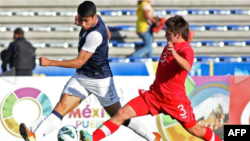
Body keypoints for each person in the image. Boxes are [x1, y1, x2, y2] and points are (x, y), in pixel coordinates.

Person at [19, 1, 160, 141]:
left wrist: (51, 62)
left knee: (120, 115)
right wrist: (89, 28)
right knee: (60, 107)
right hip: (81, 77)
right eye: (81, 20)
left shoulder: (95, 35)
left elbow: (79, 61)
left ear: (94, 17)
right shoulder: (96, 21)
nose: (84, 24)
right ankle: (34, 135)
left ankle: (152, 137)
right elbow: (109, 35)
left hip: (100, 81)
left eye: (86, 21)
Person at [81, 15, 222, 141]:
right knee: (122, 113)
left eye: (168, 34)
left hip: (174, 100)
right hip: (154, 96)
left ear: (178, 35)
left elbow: (187, 66)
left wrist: (174, 54)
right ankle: (92, 138)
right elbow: (190, 34)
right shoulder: (179, 39)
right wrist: (187, 35)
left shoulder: (186, 50)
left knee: (195, 130)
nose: (166, 36)